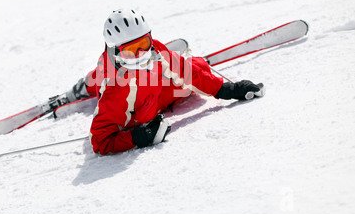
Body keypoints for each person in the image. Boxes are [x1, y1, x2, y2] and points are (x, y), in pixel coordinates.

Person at [61, 9, 262, 155]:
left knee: (198, 67)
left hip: (155, 95)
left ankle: (198, 69)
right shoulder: (115, 89)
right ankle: (83, 86)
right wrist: (137, 138)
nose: (142, 53)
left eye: (144, 44)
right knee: (99, 80)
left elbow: (185, 71)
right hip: (135, 113)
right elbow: (100, 141)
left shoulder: (155, 50)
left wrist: (226, 89)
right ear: (116, 51)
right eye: (132, 49)